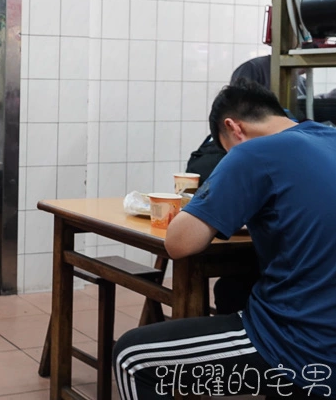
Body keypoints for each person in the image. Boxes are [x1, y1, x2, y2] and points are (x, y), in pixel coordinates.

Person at [114, 80, 336, 400]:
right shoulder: (328, 136)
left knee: (132, 358)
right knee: (233, 289)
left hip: (306, 345)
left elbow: (179, 243)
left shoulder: (252, 152)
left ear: (233, 128)